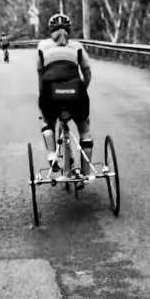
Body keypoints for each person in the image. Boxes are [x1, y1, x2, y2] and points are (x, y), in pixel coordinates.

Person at [37, 13, 93, 181]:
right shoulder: (77, 46)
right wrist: (81, 92)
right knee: (84, 128)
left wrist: (42, 99)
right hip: (75, 92)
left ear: (50, 31)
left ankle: (51, 154)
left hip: (51, 93)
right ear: (69, 30)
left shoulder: (42, 46)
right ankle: (86, 173)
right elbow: (87, 73)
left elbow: (41, 77)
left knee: (47, 121)